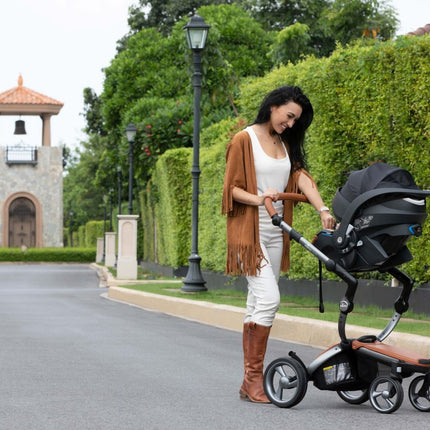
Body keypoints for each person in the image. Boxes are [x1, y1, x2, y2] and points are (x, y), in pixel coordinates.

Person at [221, 85, 335, 403]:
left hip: (277, 230)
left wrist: (322, 209)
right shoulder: (244, 139)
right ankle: (254, 379)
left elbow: (301, 177)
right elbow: (231, 189)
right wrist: (259, 198)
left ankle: (248, 383)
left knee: (257, 304)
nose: (290, 124)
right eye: (288, 116)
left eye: (295, 120)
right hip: (249, 233)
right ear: (273, 106)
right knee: (269, 300)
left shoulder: (285, 144)